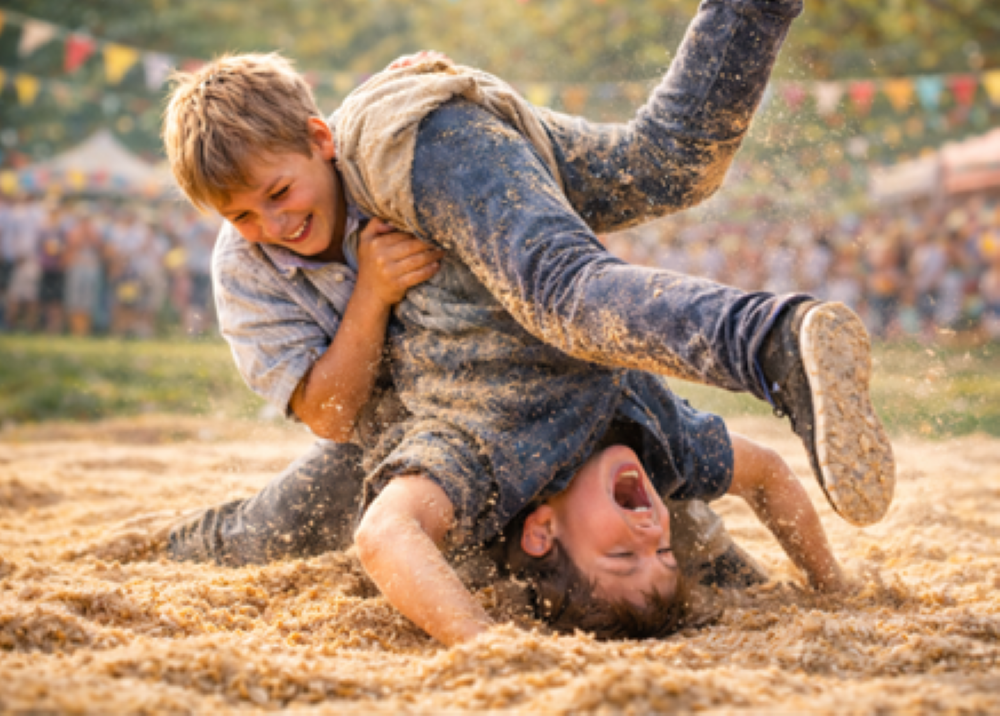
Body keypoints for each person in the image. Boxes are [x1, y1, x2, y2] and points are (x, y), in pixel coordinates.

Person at [161, 0, 893, 643]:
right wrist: (371, 296)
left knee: (567, 292)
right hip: (405, 407)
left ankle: (768, 344)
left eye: (279, 193)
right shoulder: (653, 442)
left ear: (319, 141)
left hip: (435, 152)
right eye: (242, 216)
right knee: (668, 164)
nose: (273, 223)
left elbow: (390, 532)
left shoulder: (489, 458)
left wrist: (485, 648)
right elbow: (331, 414)